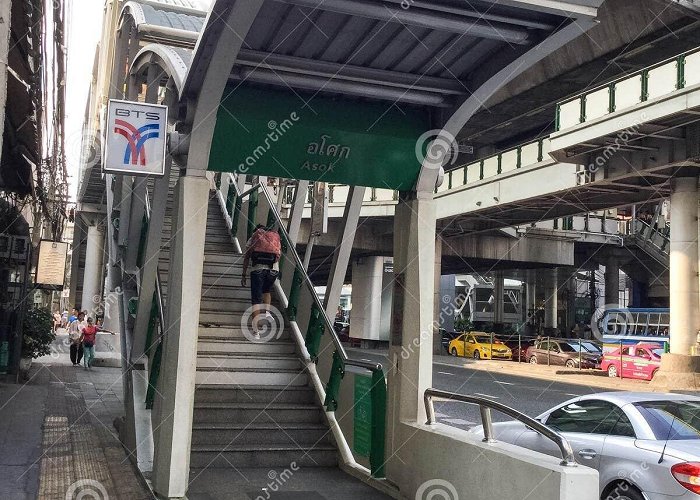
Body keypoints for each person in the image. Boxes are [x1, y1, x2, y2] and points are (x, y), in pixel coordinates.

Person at [241, 224, 281, 339]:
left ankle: (256, 332)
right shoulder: (274, 237)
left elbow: (247, 256)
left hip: (257, 270)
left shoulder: (254, 236)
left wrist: (244, 274)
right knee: (266, 290)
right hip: (273, 270)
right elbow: (279, 255)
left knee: (256, 301)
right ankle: (267, 312)